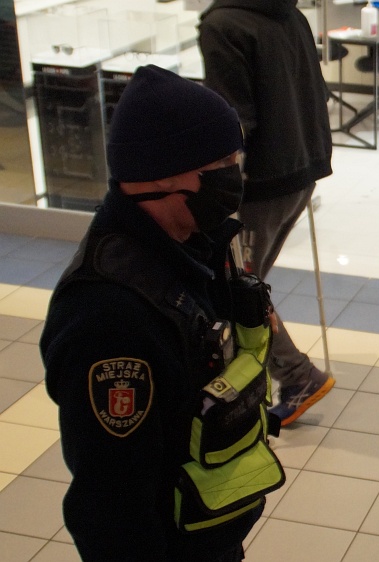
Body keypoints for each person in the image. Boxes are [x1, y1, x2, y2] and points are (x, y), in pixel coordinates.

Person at [40, 65, 285, 561]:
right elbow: (111, 505)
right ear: (163, 173)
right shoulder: (110, 316)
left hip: (211, 532)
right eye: (222, 162)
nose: (235, 173)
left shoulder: (196, 241)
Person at [198, 0, 335, 427]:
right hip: (302, 167)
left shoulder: (223, 24)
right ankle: (274, 375)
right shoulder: (289, 12)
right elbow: (317, 92)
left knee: (236, 289)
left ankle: (295, 376)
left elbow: (233, 120)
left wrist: (218, 191)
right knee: (243, 283)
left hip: (262, 183)